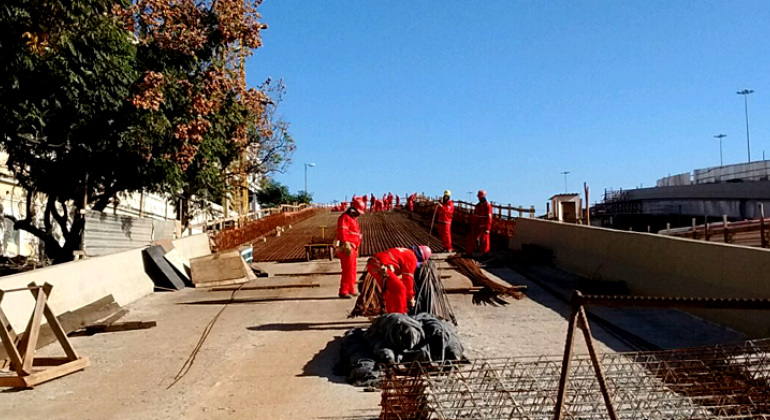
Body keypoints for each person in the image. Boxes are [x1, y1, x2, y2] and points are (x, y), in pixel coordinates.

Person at [366, 246, 432, 314]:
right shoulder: (412, 258)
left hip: (373, 265)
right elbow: (408, 279)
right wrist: (410, 297)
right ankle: (401, 315)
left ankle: (391, 313)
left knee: (389, 291)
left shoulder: (406, 251)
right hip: (382, 267)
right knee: (401, 289)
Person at [336, 198, 365, 298]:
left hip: (353, 247)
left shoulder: (353, 219)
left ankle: (351, 289)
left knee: (352, 269)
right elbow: (342, 232)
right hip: (347, 247)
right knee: (347, 270)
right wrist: (346, 244)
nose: (359, 214)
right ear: (353, 209)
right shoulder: (345, 218)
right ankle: (343, 291)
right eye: (358, 212)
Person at [466, 190, 493, 255]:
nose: (479, 198)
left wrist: (487, 228)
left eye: (480, 197)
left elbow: (489, 218)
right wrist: (472, 226)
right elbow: (475, 217)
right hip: (477, 226)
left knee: (485, 240)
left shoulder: (487, 206)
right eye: (478, 197)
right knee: (471, 238)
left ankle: (485, 253)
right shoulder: (477, 206)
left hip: (484, 226)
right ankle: (469, 253)